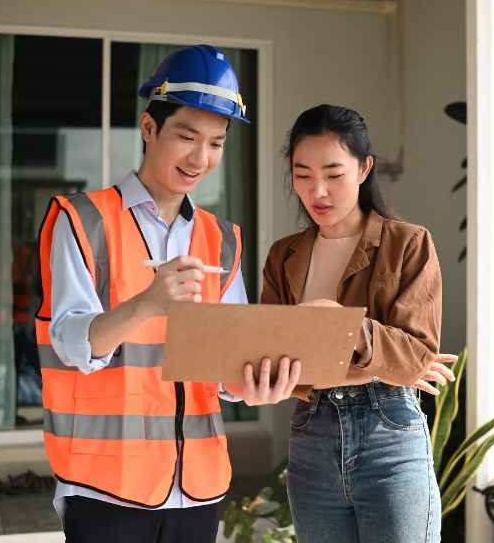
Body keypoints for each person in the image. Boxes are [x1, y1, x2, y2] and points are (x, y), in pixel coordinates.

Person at [35, 45, 301, 543]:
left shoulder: (221, 237)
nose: (201, 158)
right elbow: (69, 341)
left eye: (217, 143)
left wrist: (256, 386)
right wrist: (148, 305)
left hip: (197, 486)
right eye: (186, 136)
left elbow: (227, 365)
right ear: (149, 128)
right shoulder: (82, 220)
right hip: (104, 488)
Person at [261, 104, 455, 543]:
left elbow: (416, 352)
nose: (318, 190)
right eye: (302, 174)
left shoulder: (408, 243)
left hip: (390, 434)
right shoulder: (283, 256)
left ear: (365, 168)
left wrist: (342, 326)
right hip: (312, 435)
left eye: (334, 173)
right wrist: (384, 360)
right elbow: (272, 358)